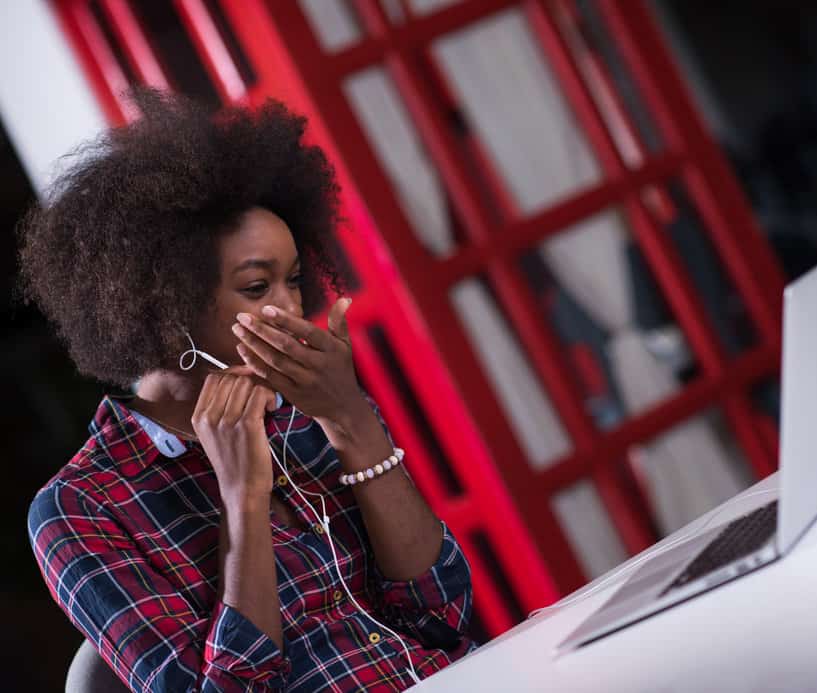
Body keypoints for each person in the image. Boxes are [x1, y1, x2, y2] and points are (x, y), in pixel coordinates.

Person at [16, 88, 476, 691]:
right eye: (258, 289)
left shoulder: (311, 412)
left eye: (292, 281)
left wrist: (352, 425)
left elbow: (443, 618)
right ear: (166, 303)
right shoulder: (82, 509)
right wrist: (242, 500)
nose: (290, 309)